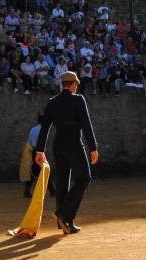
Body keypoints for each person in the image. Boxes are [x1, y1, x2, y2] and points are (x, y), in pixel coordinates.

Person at [35, 71, 98, 234]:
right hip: (75, 146)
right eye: (76, 84)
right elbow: (86, 125)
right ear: (74, 84)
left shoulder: (52, 102)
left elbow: (44, 129)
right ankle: (63, 213)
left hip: (58, 146)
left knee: (62, 184)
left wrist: (40, 150)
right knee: (84, 178)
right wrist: (93, 147)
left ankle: (65, 223)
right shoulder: (78, 100)